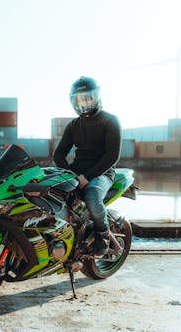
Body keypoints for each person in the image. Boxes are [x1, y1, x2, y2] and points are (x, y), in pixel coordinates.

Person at [53, 76, 122, 257]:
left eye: (87, 97)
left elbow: (112, 156)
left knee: (92, 195)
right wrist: (69, 175)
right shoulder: (73, 125)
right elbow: (58, 154)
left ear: (96, 96)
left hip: (103, 173)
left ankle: (103, 234)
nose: (84, 102)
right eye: (79, 98)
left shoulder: (111, 120)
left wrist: (87, 177)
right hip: (77, 172)